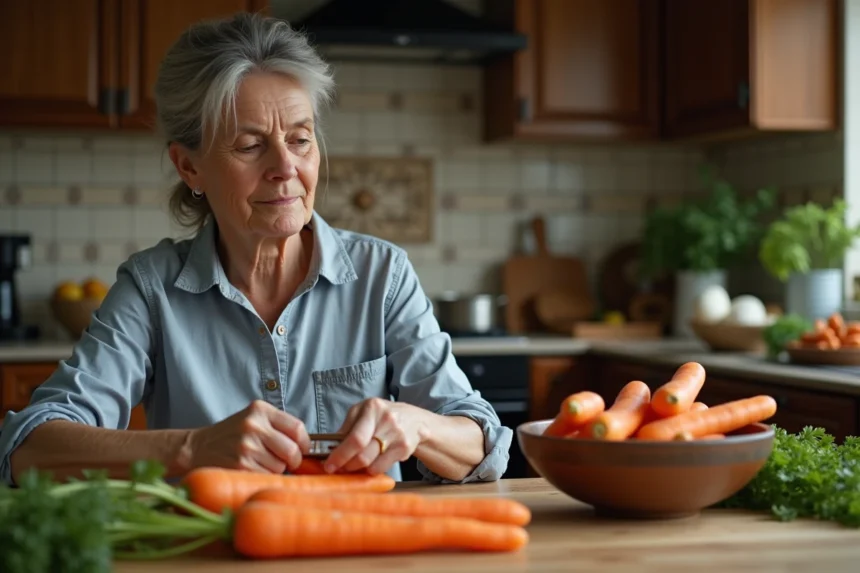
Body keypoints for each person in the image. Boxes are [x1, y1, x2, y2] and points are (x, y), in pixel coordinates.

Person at [0, 12, 512, 486]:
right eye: (249, 146)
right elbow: (27, 448)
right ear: (189, 167)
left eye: (301, 139)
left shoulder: (383, 274)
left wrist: (415, 426)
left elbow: (485, 445)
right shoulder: (152, 288)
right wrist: (192, 447)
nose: (285, 167)